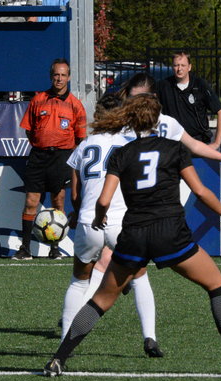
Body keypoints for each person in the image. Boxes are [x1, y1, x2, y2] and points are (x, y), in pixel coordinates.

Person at [43, 94, 221, 376]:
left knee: (100, 300)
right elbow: (200, 191)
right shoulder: (174, 149)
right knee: (216, 285)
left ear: (130, 119)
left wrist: (99, 217)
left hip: (134, 234)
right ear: (157, 119)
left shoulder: (121, 153)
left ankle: (59, 358)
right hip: (170, 232)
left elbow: (103, 199)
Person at [63, 93, 164, 357]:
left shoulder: (84, 145)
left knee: (78, 282)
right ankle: (150, 337)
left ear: (97, 116)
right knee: (140, 276)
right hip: (121, 221)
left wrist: (78, 214)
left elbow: (75, 194)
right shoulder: (129, 144)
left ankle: (65, 344)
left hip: (89, 220)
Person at [14, 58, 87, 260]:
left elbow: (80, 138)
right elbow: (29, 130)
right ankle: (25, 248)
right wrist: (42, 144)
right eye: (56, 75)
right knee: (31, 201)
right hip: (39, 156)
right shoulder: (38, 100)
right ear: (51, 76)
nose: (59, 79)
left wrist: (64, 152)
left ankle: (55, 249)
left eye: (63, 75)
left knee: (58, 201)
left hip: (61, 157)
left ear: (69, 77)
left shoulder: (76, 105)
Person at [156, 51, 221, 150]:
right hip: (172, 144)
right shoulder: (163, 86)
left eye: (183, 65)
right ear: (172, 67)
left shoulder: (200, 85)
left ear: (189, 67)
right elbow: (150, 110)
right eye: (176, 65)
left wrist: (216, 143)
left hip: (199, 142)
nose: (179, 69)